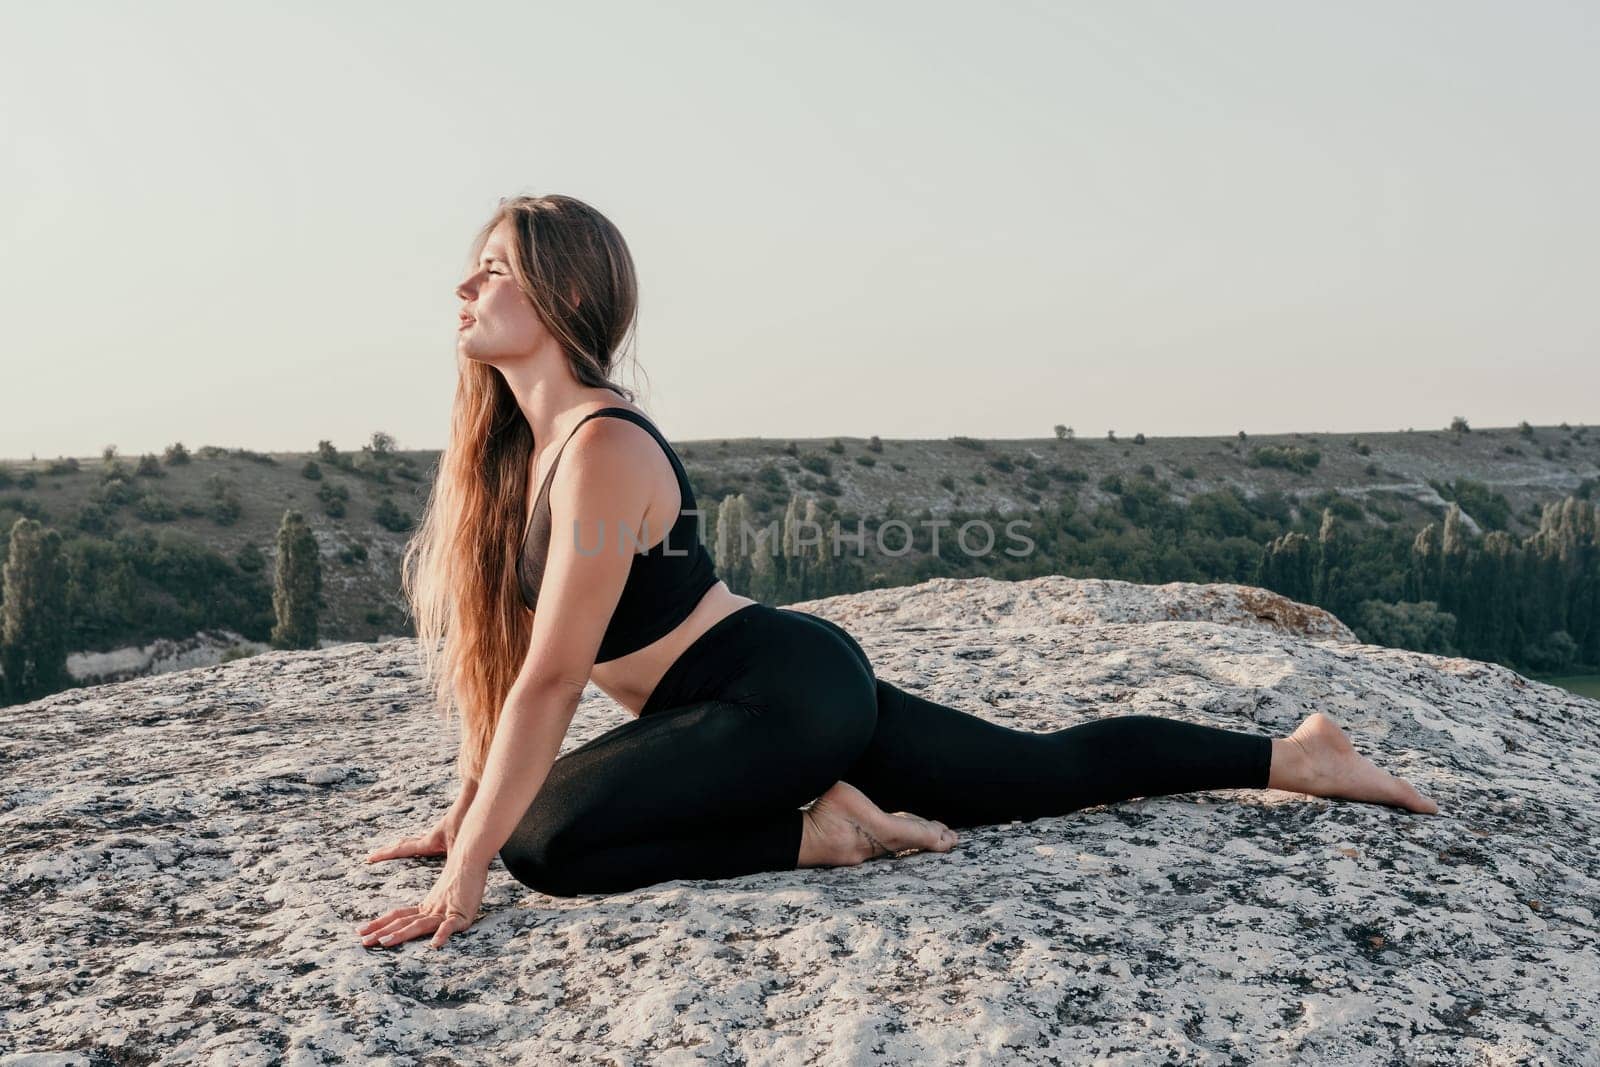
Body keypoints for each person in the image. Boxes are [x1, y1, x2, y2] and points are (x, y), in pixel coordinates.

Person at [356, 194, 1439, 951]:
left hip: (771, 693)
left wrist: (474, 863)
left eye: (492, 266)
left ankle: (819, 834)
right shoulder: (522, 453)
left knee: (544, 842)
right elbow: (504, 670)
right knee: (1039, 775)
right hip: (760, 696)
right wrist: (464, 813)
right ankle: (1295, 756)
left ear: (560, 293)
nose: (464, 282)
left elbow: (551, 681)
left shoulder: (600, 444)